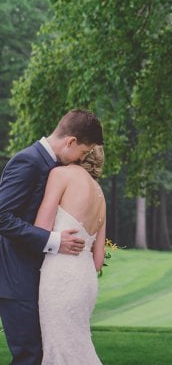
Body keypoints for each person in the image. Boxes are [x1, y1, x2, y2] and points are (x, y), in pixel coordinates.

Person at [0, 109, 103, 365]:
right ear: (71, 142)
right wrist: (55, 241)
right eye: (83, 151)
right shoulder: (28, 160)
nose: (83, 157)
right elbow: (2, 216)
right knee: (30, 356)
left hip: (42, 277)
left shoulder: (57, 168)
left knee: (41, 354)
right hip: (17, 278)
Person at [35, 145, 106, 365]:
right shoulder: (100, 194)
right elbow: (98, 260)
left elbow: (40, 230)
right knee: (77, 345)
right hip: (85, 279)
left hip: (61, 276)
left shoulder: (60, 175)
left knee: (61, 349)